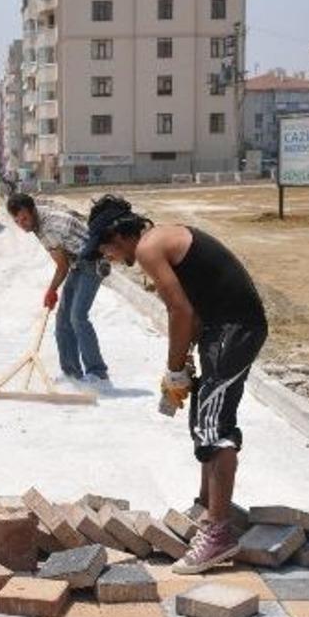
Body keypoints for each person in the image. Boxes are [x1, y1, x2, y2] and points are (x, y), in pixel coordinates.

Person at [81, 194, 268, 575]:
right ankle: (207, 508)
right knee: (203, 419)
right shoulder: (162, 239)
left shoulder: (150, 247)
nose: (109, 259)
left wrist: (173, 369)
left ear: (118, 235)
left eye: (106, 250)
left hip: (234, 329)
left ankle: (218, 535)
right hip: (224, 329)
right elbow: (193, 312)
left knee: (214, 428)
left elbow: (179, 311)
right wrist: (182, 365)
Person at [6, 192, 109, 386]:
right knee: (63, 321)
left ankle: (98, 373)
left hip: (92, 264)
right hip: (78, 264)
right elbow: (65, 263)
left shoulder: (48, 228)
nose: (22, 224)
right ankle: (71, 372)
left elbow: (61, 267)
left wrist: (51, 290)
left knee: (78, 317)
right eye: (18, 221)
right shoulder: (41, 219)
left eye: (25, 218)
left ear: (33, 211)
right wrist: (52, 290)